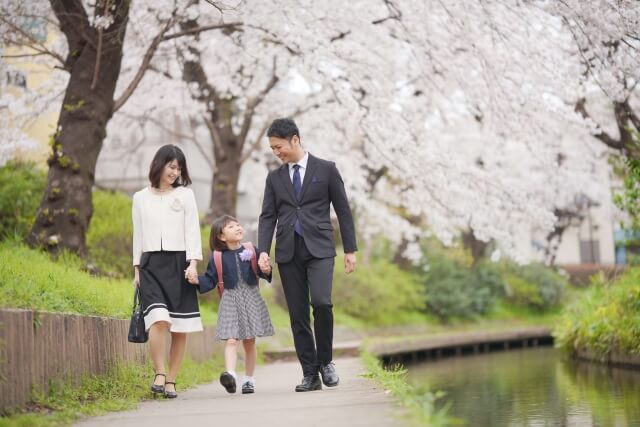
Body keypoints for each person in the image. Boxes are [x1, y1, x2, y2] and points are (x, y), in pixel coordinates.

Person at [257, 118, 357, 392]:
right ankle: (310, 374)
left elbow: (343, 210)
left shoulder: (326, 169)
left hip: (321, 249)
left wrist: (350, 249)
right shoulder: (274, 178)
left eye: (279, 147)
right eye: (273, 149)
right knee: (298, 315)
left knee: (322, 303)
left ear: (295, 140)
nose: (277, 153)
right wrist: (262, 250)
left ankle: (326, 363)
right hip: (288, 251)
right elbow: (267, 217)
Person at [132, 144, 203, 399]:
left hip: (179, 264)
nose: (175, 172)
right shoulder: (140, 197)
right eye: (172, 166)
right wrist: (137, 269)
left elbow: (192, 230)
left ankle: (171, 380)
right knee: (159, 320)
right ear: (159, 164)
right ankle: (159, 373)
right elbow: (137, 234)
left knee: (179, 326)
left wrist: (193, 263)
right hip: (151, 265)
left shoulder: (185, 195)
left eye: (179, 168)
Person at [188, 215, 274, 394]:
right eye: (231, 227)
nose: (237, 228)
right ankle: (231, 375)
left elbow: (262, 271)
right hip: (230, 299)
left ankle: (249, 379)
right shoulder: (218, 257)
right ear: (221, 236)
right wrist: (196, 280)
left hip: (251, 296)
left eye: (238, 225)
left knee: (250, 341)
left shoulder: (251, 249)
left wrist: (266, 269)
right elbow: (210, 280)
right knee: (232, 340)